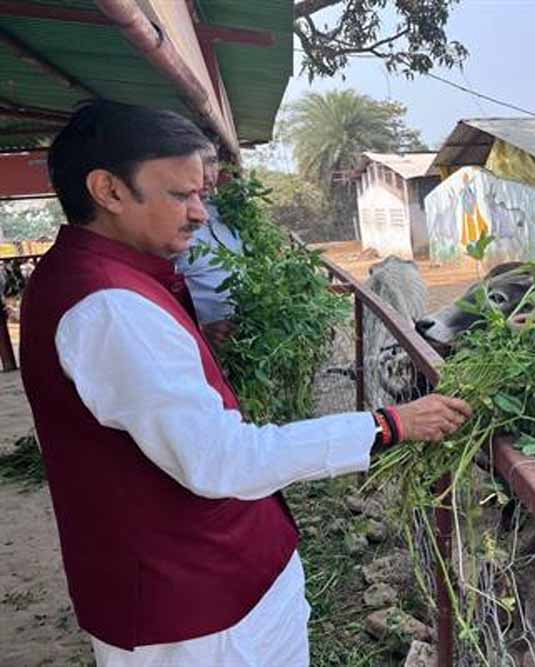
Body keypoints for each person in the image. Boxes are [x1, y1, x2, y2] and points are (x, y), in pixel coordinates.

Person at [18, 100, 471, 667]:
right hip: (198, 609)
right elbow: (222, 461)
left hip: (211, 583)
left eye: (200, 195)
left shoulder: (101, 279)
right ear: (108, 190)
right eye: (180, 195)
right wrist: (388, 425)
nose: (199, 213)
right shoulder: (110, 306)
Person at [173, 138, 241, 349]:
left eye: (212, 162)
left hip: (244, 345)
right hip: (197, 347)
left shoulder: (224, 212)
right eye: (196, 162)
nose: (206, 173)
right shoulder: (167, 222)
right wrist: (199, 331)